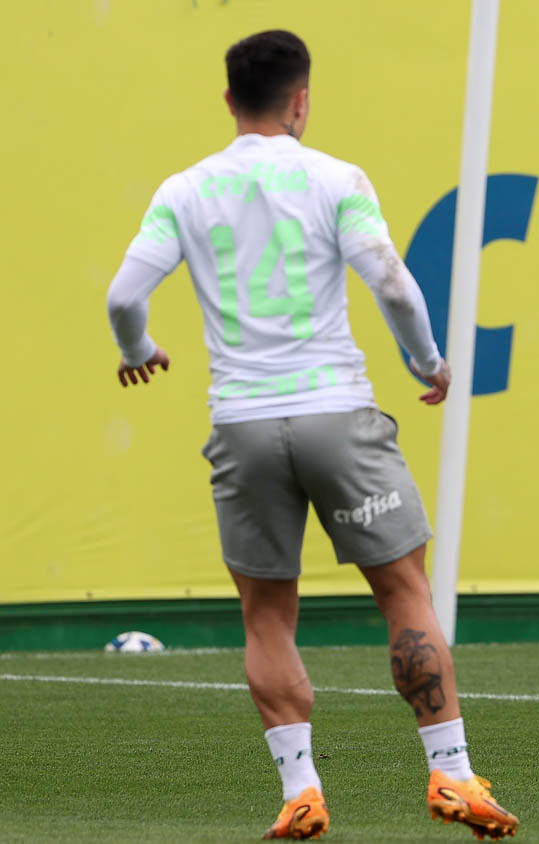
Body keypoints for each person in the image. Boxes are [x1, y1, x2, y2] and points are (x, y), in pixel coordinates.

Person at [104, 30, 517, 840]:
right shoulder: (335, 178)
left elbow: (124, 295)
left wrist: (138, 351)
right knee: (403, 592)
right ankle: (453, 774)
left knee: (267, 616)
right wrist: (428, 362)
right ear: (301, 99)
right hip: (337, 410)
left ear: (228, 100)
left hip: (243, 423)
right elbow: (391, 280)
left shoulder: (184, 190)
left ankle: (302, 789)